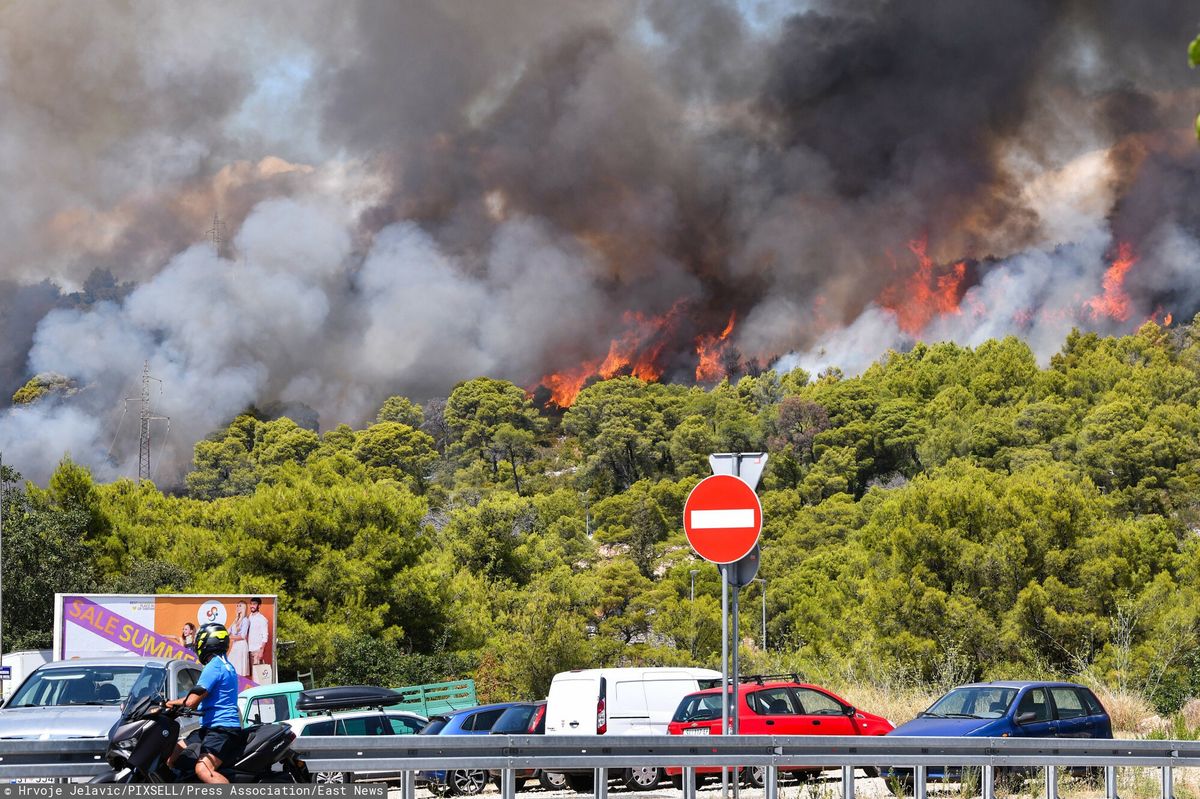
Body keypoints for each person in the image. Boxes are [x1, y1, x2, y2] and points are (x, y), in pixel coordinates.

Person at [166, 622, 241, 784]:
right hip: (209, 728)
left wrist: (167, 704)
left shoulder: (214, 666)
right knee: (173, 754)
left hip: (222, 729)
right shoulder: (225, 665)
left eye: (200, 640)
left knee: (203, 769)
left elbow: (191, 701)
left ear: (208, 642)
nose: (197, 644)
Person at [228, 602, 250, 678]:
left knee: (240, 668)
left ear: (244, 608)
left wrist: (231, 637)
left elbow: (243, 636)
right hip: (235, 645)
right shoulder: (236, 620)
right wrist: (236, 618)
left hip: (241, 645)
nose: (237, 607)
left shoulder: (245, 620)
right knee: (232, 666)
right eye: (237, 606)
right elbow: (228, 631)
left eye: (240, 606)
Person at [247, 597, 269, 670]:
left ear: (259, 606)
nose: (252, 606)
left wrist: (261, 651)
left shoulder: (262, 619)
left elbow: (265, 636)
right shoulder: (249, 617)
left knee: (257, 673)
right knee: (250, 674)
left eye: (254, 604)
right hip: (248, 650)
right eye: (251, 604)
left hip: (257, 650)